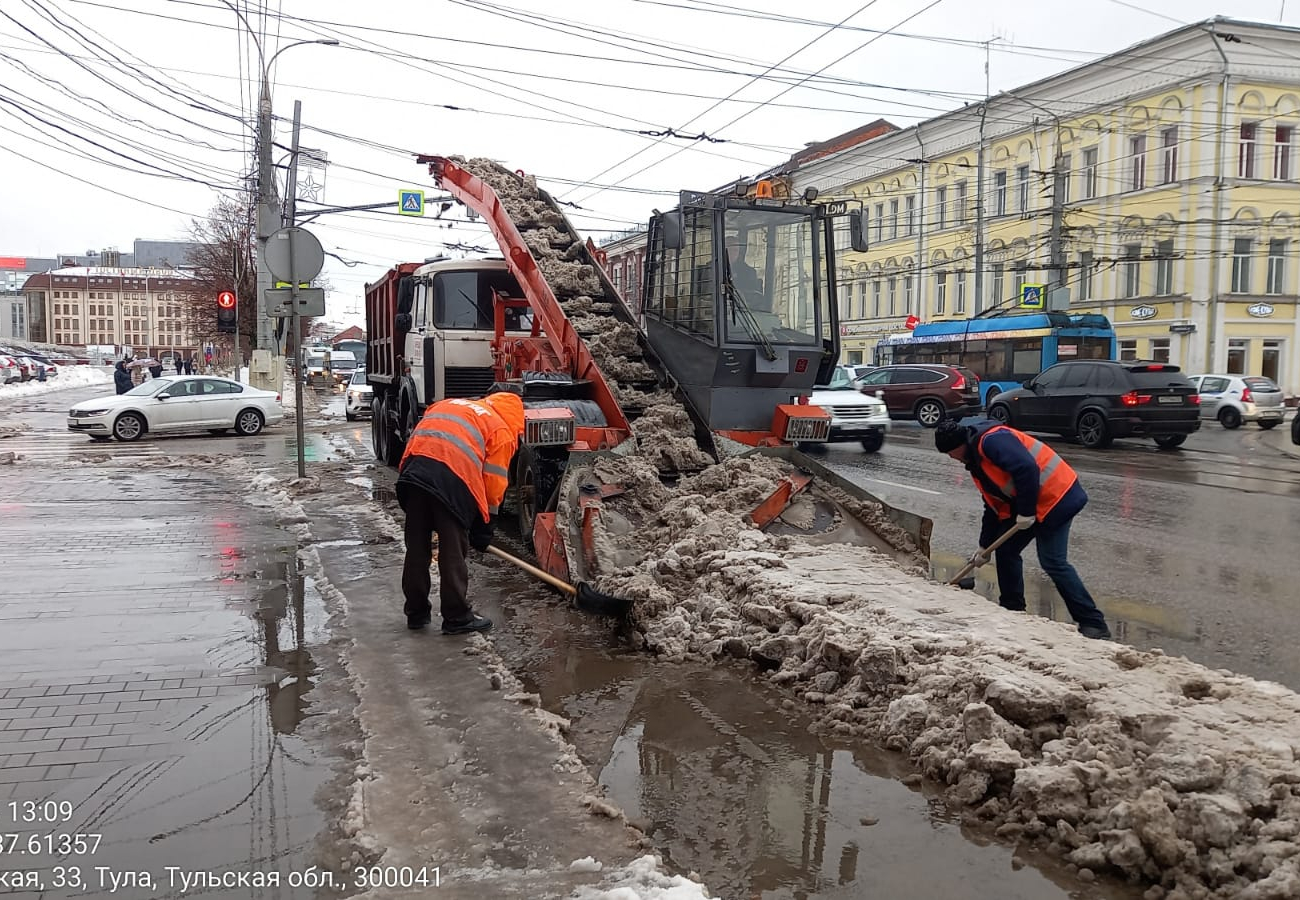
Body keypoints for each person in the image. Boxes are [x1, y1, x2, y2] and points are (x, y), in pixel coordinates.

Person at [934, 418, 1111, 640]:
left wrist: (1026, 512)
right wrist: (983, 546)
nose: (952, 458)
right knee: (1006, 550)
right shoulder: (976, 464)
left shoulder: (992, 441)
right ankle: (1012, 608)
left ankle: (1093, 623)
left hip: (1058, 498)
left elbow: (1027, 468)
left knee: (1053, 561)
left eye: (951, 452)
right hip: (1030, 505)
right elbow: (993, 507)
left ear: (960, 445)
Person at [395, 391, 525, 635]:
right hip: (451, 479)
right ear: (515, 417)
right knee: (452, 549)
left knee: (417, 547)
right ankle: (457, 616)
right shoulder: (501, 430)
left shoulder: (451, 405)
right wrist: (485, 525)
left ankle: (416, 612)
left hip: (413, 473)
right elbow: (494, 483)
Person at [725, 243, 770, 314]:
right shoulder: (710, 269)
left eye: (735, 250)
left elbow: (755, 299)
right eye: (729, 249)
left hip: (743, 315)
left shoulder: (748, 273)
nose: (732, 253)